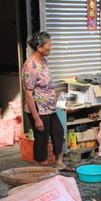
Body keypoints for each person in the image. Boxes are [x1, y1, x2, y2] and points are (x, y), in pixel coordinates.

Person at [22, 31, 74, 172]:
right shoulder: (30, 66)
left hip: (50, 108)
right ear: (39, 47)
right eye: (49, 45)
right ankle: (39, 170)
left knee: (58, 132)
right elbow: (28, 94)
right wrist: (36, 118)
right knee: (41, 139)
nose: (51, 48)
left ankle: (59, 163)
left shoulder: (44, 61)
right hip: (38, 109)